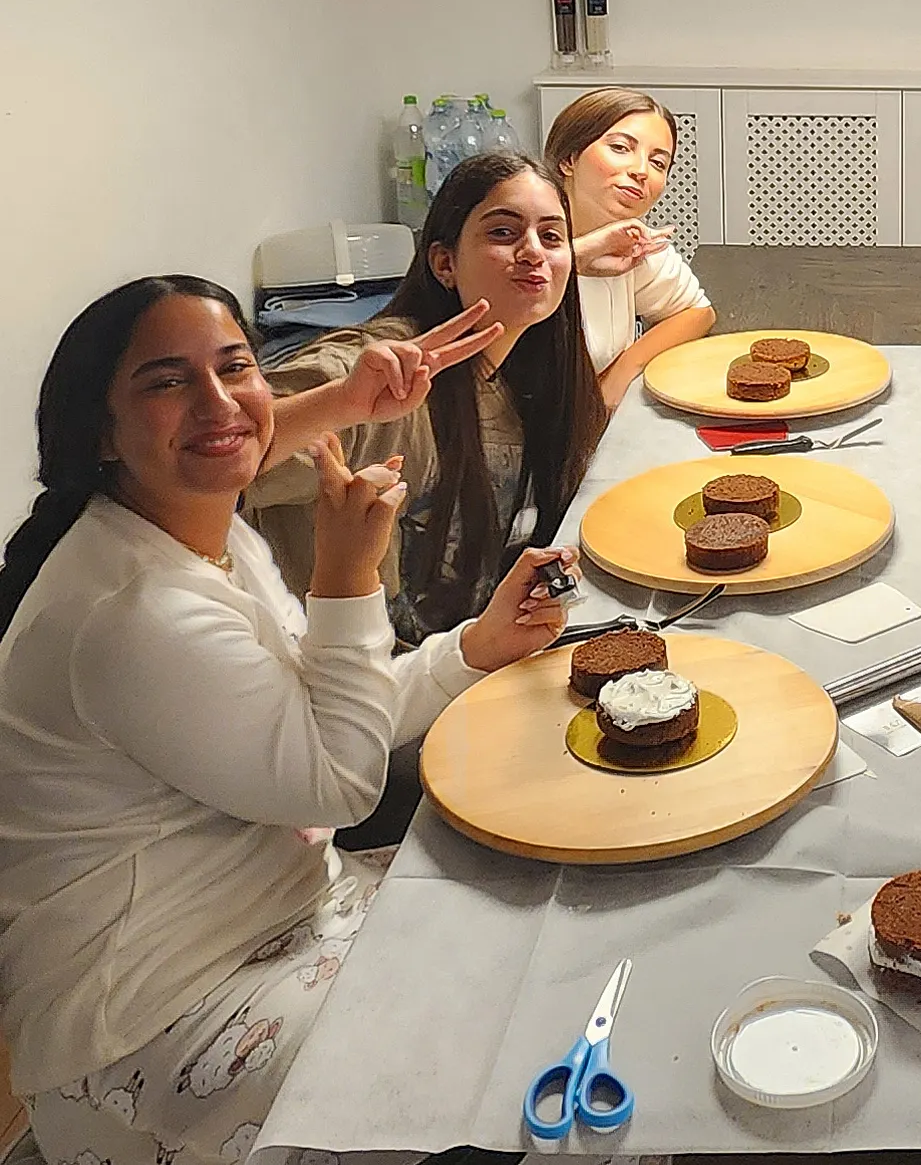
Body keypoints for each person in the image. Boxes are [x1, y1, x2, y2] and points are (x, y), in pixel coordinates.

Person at [0, 276, 575, 1165]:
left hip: (292, 907)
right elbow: (337, 781)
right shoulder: (134, 611)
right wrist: (347, 575)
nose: (218, 401)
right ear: (100, 430)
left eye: (236, 367)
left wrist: (473, 648)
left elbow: (323, 711)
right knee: (523, 1063)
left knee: (551, 919)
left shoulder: (192, 530)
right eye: (167, 380)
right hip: (155, 1009)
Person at [248, 149, 607, 644]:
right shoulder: (380, 373)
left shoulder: (530, 373)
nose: (532, 252)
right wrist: (341, 402)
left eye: (551, 236)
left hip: (460, 655)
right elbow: (217, 460)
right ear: (444, 263)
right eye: (503, 233)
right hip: (362, 676)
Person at [544, 88, 715, 406]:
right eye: (620, 148)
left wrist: (621, 373)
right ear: (569, 158)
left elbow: (696, 312)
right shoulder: (519, 236)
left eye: (658, 163)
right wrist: (578, 257)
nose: (641, 171)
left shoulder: (631, 242)